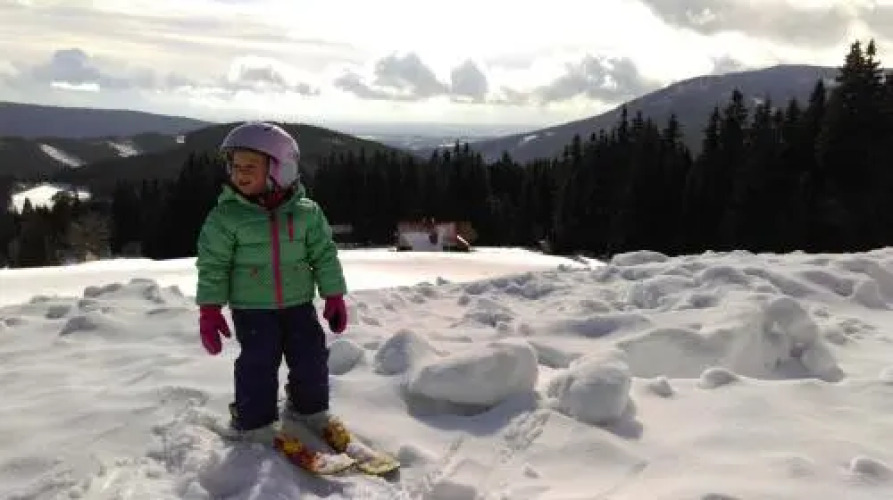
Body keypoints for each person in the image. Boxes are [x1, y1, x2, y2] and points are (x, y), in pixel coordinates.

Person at [193, 121, 352, 454]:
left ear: (281, 169)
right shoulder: (225, 218)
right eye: (235, 166)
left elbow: (324, 255)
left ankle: (309, 410)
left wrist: (334, 295)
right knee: (258, 363)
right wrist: (209, 309)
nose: (240, 173)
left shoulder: (307, 213)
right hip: (252, 310)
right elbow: (213, 266)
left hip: (298, 304)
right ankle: (254, 422)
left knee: (311, 358)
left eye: (250, 166)